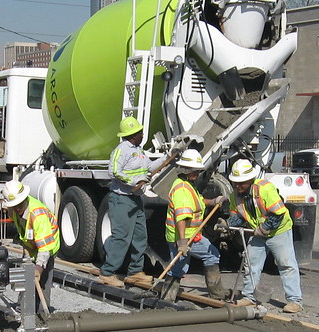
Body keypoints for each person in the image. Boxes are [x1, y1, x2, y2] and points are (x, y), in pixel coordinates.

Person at [225, 158, 303, 314]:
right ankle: (249, 297)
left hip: (279, 230)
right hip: (257, 232)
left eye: (242, 183)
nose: (238, 186)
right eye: (235, 183)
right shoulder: (235, 196)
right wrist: (228, 223)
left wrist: (265, 227)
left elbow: (278, 213)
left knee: (286, 264)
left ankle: (295, 301)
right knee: (251, 263)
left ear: (251, 180)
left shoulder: (265, 189)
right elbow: (238, 216)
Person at [96, 116, 166, 287]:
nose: (143, 134)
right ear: (133, 134)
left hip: (136, 200)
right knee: (121, 237)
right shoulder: (122, 150)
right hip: (121, 199)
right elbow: (114, 172)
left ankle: (135, 272)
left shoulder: (139, 151)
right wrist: (134, 181)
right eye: (140, 132)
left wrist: (168, 157)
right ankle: (107, 273)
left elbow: (150, 167)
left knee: (140, 236)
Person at [163, 150, 226, 302]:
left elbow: (197, 202)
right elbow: (182, 217)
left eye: (198, 171)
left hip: (187, 236)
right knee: (211, 255)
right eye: (195, 171)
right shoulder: (182, 190)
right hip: (185, 237)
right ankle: (217, 295)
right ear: (186, 170)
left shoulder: (187, 185)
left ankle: (167, 297)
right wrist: (182, 242)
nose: (197, 173)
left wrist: (212, 202)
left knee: (178, 266)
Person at [0, 179, 59, 310]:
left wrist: (38, 269)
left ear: (25, 198)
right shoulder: (13, 210)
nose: (18, 209)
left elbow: (45, 249)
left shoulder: (38, 214)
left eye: (20, 205)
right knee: (26, 278)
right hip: (30, 247)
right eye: (14, 206)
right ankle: (23, 309)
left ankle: (43, 312)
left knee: (41, 280)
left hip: (47, 247)